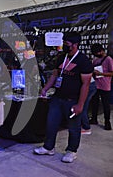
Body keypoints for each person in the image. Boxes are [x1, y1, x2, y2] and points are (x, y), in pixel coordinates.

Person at [34, 32, 93, 163]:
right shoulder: (61, 58)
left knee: (73, 127)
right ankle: (48, 147)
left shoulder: (84, 61)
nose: (64, 45)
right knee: (51, 124)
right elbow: (54, 75)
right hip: (57, 98)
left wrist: (80, 105)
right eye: (64, 42)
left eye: (67, 43)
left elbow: (86, 85)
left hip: (73, 101)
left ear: (75, 44)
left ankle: (71, 151)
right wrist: (45, 89)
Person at [89, 44, 113, 130]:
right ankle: (94, 118)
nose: (96, 54)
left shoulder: (109, 59)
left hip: (105, 85)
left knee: (105, 104)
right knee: (94, 103)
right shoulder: (95, 60)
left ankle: (107, 122)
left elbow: (111, 72)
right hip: (95, 84)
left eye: (97, 52)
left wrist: (101, 74)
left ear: (102, 50)